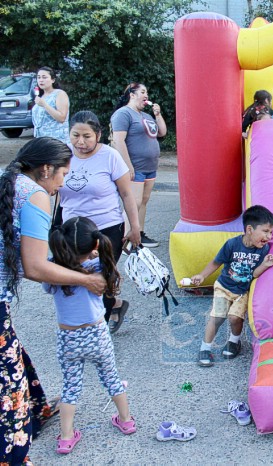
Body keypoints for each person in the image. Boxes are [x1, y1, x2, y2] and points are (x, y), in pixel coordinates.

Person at [0, 138, 106, 464]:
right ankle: (14, 455)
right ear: (46, 169)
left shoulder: (10, 182)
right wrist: (87, 278)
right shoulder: (34, 195)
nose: (63, 182)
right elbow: (35, 267)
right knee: (9, 382)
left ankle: (37, 410)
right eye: (62, 175)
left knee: (13, 353)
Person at [44, 217, 135, 454]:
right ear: (95, 246)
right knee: (112, 378)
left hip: (69, 338)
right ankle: (126, 420)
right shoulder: (100, 267)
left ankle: (66, 437)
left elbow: (46, 284)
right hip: (97, 334)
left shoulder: (55, 271)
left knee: (70, 386)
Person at [61, 111, 141, 333]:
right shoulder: (62, 155)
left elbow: (127, 194)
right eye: (75, 135)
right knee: (77, 275)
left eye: (87, 136)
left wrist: (135, 228)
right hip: (72, 230)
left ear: (98, 134)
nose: (80, 142)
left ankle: (98, 329)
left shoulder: (110, 156)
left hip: (106, 229)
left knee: (102, 276)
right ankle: (114, 305)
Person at [193, 205, 273, 367]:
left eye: (271, 232)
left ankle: (234, 341)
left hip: (242, 292)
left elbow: (253, 274)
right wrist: (202, 276)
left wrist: (265, 264)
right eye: (265, 231)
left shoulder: (263, 250)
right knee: (217, 317)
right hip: (224, 287)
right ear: (250, 229)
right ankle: (205, 348)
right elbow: (216, 262)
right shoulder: (232, 244)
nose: (269, 236)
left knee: (234, 318)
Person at [110, 82, 166, 248]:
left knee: (143, 201)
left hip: (150, 167)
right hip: (135, 167)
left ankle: (139, 234)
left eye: (147, 92)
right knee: (133, 202)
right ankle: (125, 238)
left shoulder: (146, 116)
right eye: (142, 92)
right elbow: (118, 141)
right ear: (132, 95)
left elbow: (162, 132)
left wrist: (157, 115)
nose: (146, 95)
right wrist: (128, 166)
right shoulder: (123, 114)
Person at [31, 66, 70, 144]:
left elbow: (62, 118)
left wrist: (45, 105)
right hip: (41, 141)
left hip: (57, 141)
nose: (41, 80)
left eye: (44, 77)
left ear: (53, 80)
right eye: (38, 77)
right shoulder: (40, 97)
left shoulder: (59, 94)